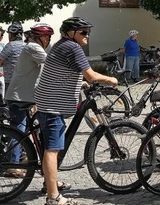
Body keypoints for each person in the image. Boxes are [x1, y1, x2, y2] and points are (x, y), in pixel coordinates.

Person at [34, 17, 118, 205]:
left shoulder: (62, 45)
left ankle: (50, 183)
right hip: (52, 106)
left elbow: (72, 71)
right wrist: (110, 79)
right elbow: (90, 73)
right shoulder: (72, 47)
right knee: (52, 150)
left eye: (88, 32)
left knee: (51, 146)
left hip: (47, 101)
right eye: (83, 32)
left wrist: (84, 83)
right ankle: (53, 197)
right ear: (70, 33)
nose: (87, 35)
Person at [3, 23, 52, 178]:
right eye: (47, 37)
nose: (49, 40)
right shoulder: (33, 47)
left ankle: (22, 158)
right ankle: (13, 165)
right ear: (41, 37)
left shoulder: (32, 47)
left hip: (23, 95)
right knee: (19, 132)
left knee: (25, 130)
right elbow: (51, 65)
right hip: (20, 97)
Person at [0, 22, 24, 89]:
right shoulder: (26, 46)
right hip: (23, 80)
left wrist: (3, 63)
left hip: (10, 80)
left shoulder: (10, 45)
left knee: (9, 99)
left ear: (11, 35)